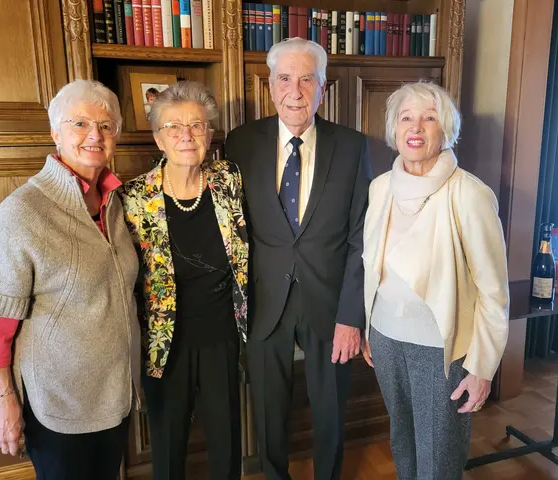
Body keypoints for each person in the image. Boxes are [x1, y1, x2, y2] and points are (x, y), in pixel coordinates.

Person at [0, 79, 141, 479]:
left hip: (113, 396)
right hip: (57, 407)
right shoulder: (22, 213)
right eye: (79, 123)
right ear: (55, 133)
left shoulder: (115, 202)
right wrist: (3, 402)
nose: (94, 135)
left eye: (106, 125)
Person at [225, 38, 371, 480]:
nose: (295, 91)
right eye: (285, 79)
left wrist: (351, 316)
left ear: (323, 87)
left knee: (330, 412)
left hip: (330, 305)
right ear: (270, 86)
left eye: (307, 79)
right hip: (264, 301)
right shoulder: (240, 143)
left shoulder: (352, 146)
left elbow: (360, 238)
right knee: (268, 413)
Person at [362, 81, 510, 480]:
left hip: (441, 350)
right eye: (406, 118)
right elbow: (372, 266)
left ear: (445, 130)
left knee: (439, 458)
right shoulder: (380, 188)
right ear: (394, 129)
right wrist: (368, 326)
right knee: (403, 442)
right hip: (385, 339)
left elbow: (493, 292)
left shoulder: (469, 195)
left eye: (429, 118)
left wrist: (482, 367)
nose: (416, 127)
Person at [121, 80, 248, 480]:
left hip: (221, 333)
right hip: (164, 341)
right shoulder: (134, 198)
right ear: (158, 138)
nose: (186, 135)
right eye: (173, 127)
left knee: (227, 440)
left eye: (196, 125)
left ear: (209, 134)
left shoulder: (228, 179)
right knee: (168, 444)